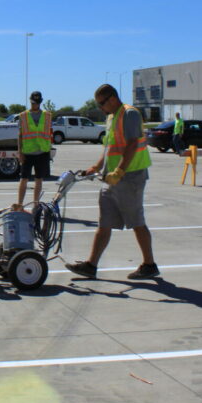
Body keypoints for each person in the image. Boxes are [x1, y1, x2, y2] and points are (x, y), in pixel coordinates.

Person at [65, 84, 159, 280]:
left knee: (136, 221)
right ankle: (91, 265)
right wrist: (97, 167)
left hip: (130, 176)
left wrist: (120, 171)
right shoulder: (111, 117)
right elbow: (110, 148)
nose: (100, 108)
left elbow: (133, 143)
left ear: (112, 99)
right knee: (104, 222)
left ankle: (149, 265)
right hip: (111, 177)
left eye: (101, 103)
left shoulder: (129, 114)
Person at [15, 91, 52, 209]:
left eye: (37, 103)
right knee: (24, 179)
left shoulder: (47, 115)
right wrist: (19, 152)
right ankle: (20, 204)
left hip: (42, 152)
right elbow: (20, 135)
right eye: (33, 103)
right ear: (30, 101)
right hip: (27, 152)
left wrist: (49, 150)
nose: (35, 105)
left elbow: (49, 133)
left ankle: (35, 204)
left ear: (40, 102)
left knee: (39, 179)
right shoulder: (23, 115)